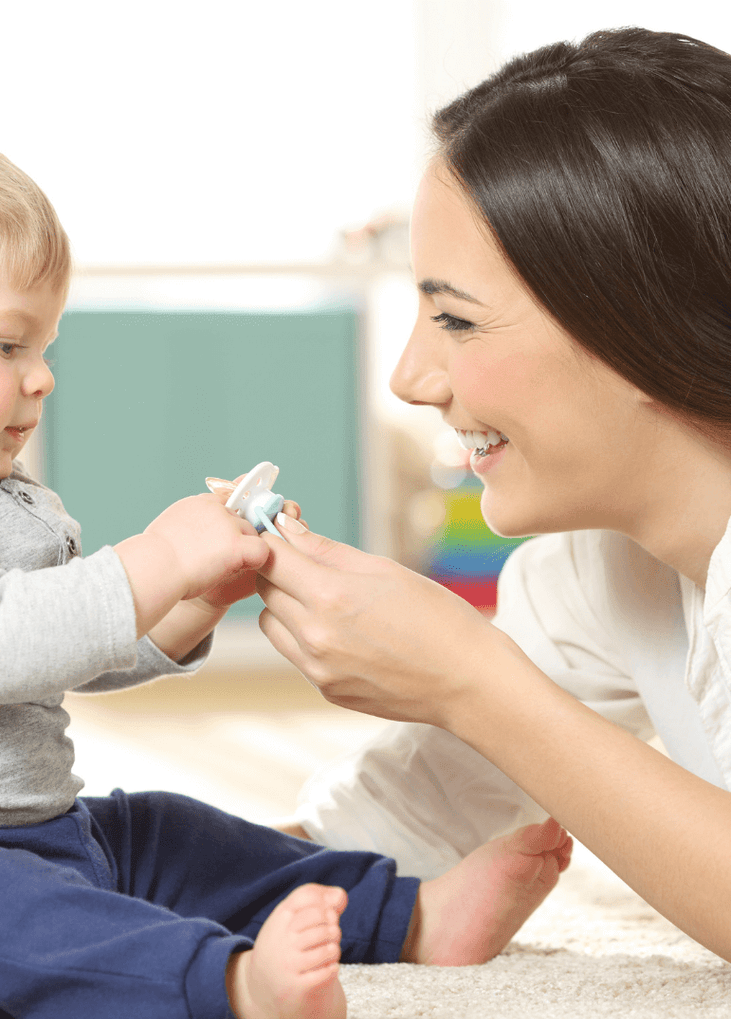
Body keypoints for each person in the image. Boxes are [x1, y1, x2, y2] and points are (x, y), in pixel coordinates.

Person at [0, 111, 572, 1019]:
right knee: (13, 922)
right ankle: (230, 989)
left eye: (43, 348)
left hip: (23, 833)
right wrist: (154, 558)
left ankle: (409, 917)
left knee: (168, 833)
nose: (42, 376)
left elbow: (66, 650)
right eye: (9, 346)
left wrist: (191, 599)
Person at [251, 26, 731, 963]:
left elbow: (498, 708)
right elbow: (405, 819)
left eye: (456, 321)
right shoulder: (600, 568)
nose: (409, 376)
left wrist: (475, 683)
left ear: (641, 322)